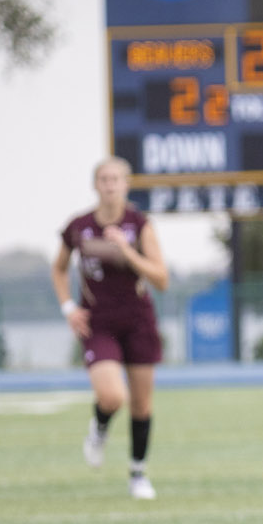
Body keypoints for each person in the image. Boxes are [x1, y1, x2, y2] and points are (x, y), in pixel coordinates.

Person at [51, 156, 168, 500]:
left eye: (116, 179)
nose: (110, 185)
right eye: (104, 179)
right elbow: (58, 269)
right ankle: (99, 428)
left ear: (126, 184)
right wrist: (68, 307)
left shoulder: (139, 224)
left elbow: (161, 278)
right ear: (95, 184)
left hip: (137, 320)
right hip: (98, 322)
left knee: (141, 404)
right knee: (112, 396)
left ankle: (138, 474)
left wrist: (125, 250)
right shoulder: (79, 226)